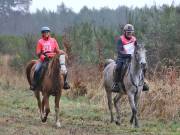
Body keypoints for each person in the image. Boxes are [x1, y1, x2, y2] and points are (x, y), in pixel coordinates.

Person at [30, 26, 70, 90]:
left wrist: (63, 52)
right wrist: (44, 57)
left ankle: (64, 83)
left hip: (53, 59)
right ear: (42, 33)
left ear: (49, 33)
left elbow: (57, 50)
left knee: (64, 69)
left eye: (47, 32)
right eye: (44, 32)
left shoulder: (53, 40)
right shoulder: (40, 41)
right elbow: (38, 53)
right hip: (44, 59)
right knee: (37, 70)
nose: (46, 33)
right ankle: (34, 84)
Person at [112, 24, 149, 92]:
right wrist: (128, 55)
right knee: (118, 67)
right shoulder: (121, 39)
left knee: (144, 66)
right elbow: (120, 51)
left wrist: (140, 52)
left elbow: (136, 48)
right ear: (125, 32)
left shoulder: (134, 39)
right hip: (122, 58)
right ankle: (116, 84)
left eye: (131, 32)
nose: (129, 33)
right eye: (128, 32)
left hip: (132, 58)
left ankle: (143, 82)